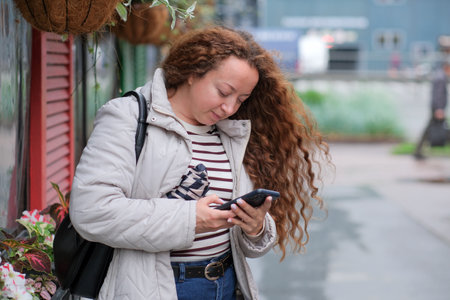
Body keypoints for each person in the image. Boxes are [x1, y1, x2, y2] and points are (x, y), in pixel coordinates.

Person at [69, 27, 330, 300]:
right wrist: (191, 218)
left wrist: (256, 227)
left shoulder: (230, 133)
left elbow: (245, 243)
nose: (229, 108)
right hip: (159, 287)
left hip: (226, 283)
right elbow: (91, 210)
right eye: (223, 91)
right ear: (193, 72)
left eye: (241, 99)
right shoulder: (129, 117)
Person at [414, 60, 450, 159]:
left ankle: (418, 151)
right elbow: (438, 95)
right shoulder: (440, 78)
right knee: (444, 128)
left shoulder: (439, 76)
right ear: (446, 67)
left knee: (431, 129)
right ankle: (417, 151)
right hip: (437, 109)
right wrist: (439, 109)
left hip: (436, 108)